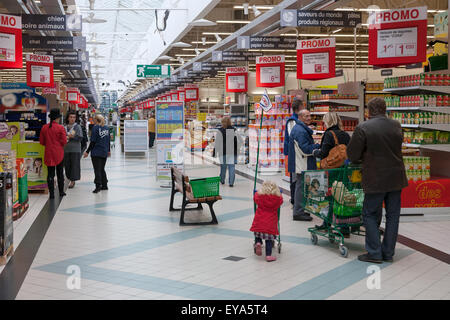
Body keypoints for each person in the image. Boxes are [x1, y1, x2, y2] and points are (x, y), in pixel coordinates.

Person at [347, 98, 408, 264]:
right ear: (385, 109)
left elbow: (352, 155)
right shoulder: (396, 125)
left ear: (368, 111)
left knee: (369, 214)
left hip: (375, 178)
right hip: (396, 177)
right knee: (393, 215)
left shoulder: (363, 128)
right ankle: (388, 253)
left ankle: (374, 252)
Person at [312, 112, 351, 234]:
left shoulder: (329, 134)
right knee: (342, 196)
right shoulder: (345, 134)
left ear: (328, 122)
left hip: (331, 170)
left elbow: (323, 153)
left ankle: (327, 222)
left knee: (329, 195)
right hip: (343, 170)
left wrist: (315, 152)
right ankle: (344, 226)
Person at [289, 109, 320, 221]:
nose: (309, 118)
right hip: (302, 163)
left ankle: (300, 210)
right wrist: (317, 147)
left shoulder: (300, 128)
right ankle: (297, 212)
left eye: (309, 116)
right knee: (300, 188)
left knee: (301, 187)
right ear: (300, 117)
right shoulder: (300, 131)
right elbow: (305, 149)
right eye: (306, 116)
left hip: (301, 162)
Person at [250, 181, 283, 262]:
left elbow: (255, 198)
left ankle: (258, 242)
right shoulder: (277, 198)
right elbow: (281, 201)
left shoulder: (259, 196)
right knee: (268, 240)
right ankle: (268, 255)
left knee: (258, 234)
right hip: (270, 224)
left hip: (259, 222)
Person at [39, 108, 67, 199]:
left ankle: (51, 194)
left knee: (50, 174)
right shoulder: (60, 128)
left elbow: (42, 142)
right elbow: (64, 142)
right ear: (58, 118)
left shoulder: (44, 127)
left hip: (48, 153)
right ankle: (61, 192)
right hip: (59, 153)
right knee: (60, 173)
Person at [83, 114, 111, 193]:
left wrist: (87, 151)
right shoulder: (106, 128)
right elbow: (108, 141)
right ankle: (105, 185)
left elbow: (93, 142)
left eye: (94, 119)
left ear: (96, 120)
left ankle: (98, 186)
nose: (93, 120)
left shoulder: (95, 128)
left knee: (97, 170)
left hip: (96, 152)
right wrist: (108, 150)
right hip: (104, 151)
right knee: (102, 169)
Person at [284, 99, 303, 205]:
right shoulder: (292, 120)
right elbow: (294, 136)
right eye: (302, 106)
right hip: (293, 152)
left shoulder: (297, 120)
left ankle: (296, 198)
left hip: (297, 153)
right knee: (294, 177)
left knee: (296, 176)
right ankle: (293, 199)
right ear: (298, 108)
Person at [213, 117, 237, 187]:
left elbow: (217, 142)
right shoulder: (233, 130)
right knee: (231, 167)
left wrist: (214, 152)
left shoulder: (220, 131)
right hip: (232, 151)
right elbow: (236, 142)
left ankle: (222, 180)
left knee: (223, 167)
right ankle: (231, 183)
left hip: (222, 151)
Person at [64, 111, 83, 189]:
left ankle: (73, 180)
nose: (72, 119)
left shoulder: (77, 127)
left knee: (74, 165)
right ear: (68, 118)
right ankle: (69, 178)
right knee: (67, 165)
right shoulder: (64, 127)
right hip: (66, 149)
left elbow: (80, 137)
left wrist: (72, 137)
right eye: (71, 117)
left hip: (75, 149)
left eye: (74, 117)